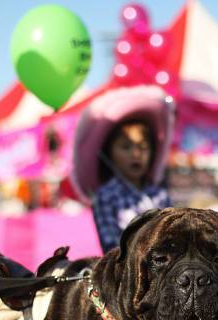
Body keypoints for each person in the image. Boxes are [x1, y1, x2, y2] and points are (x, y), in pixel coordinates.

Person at [72, 85, 174, 253]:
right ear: (109, 153)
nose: (136, 154)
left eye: (143, 147)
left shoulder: (160, 195)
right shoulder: (106, 196)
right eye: (125, 147)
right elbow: (111, 247)